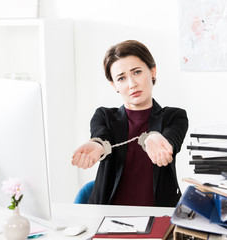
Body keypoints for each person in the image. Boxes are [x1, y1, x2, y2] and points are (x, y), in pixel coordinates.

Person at [71, 40, 188, 207]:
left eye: (137, 72)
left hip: (158, 217)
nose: (132, 84)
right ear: (114, 85)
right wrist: (98, 146)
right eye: (121, 78)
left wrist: (154, 138)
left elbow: (171, 141)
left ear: (152, 72)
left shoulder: (175, 116)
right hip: (106, 217)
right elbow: (101, 136)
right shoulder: (104, 115)